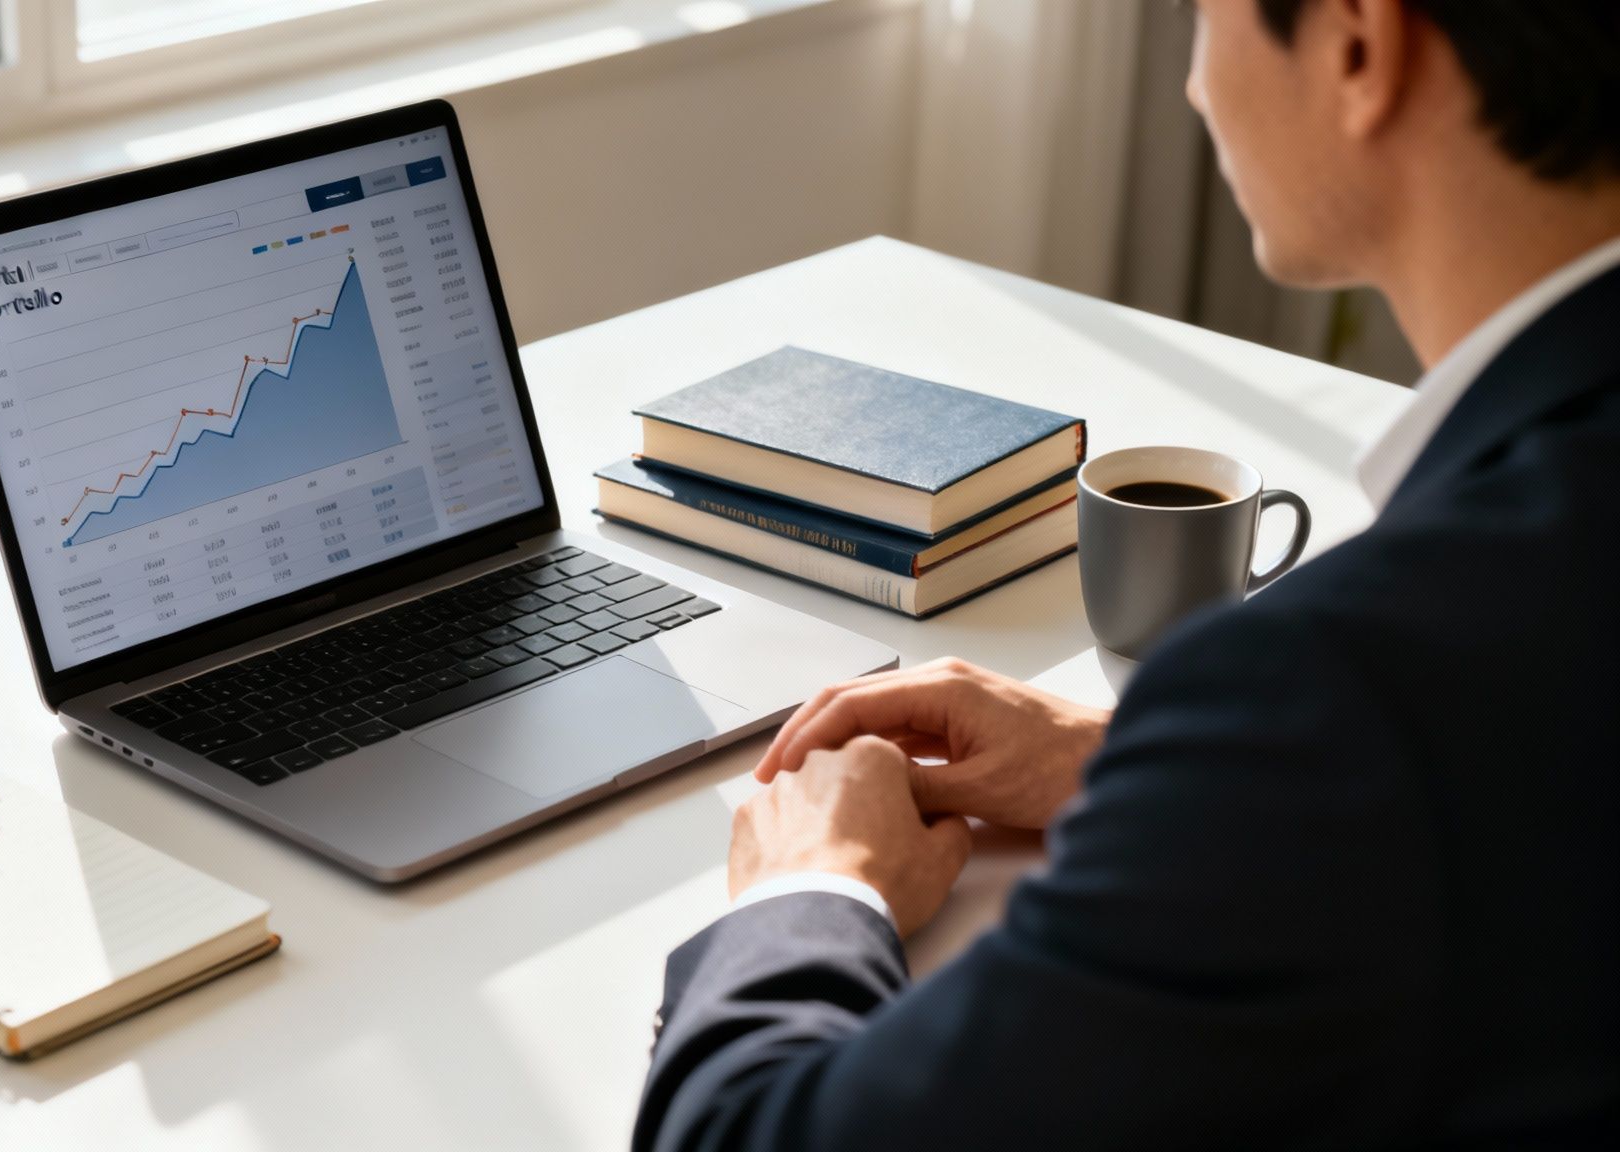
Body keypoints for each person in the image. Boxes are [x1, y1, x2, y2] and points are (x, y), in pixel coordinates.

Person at [633, 1, 1620, 1147]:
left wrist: (809, 888)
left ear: (1358, 45)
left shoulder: (1338, 694)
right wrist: (1137, 762)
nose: (1195, 90)